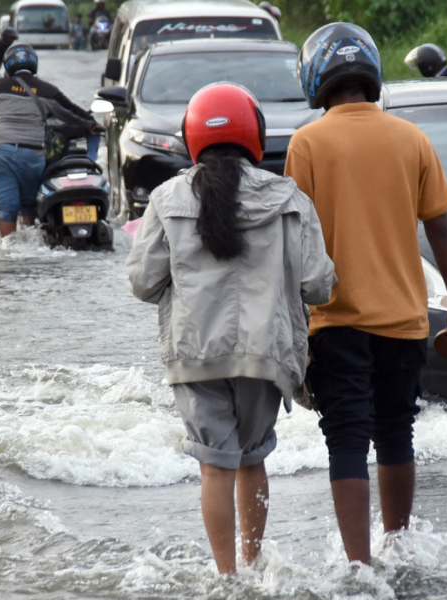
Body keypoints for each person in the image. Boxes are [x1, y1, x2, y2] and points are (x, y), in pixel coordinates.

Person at [126, 83, 335, 574]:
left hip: (196, 356)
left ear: (191, 137)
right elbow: (319, 284)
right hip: (266, 355)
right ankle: (254, 561)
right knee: (251, 458)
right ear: (254, 136)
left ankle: (226, 578)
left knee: (214, 465)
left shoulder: (166, 197)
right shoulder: (289, 198)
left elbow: (141, 282)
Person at [287, 23, 447, 565]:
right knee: (396, 432)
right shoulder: (411, 138)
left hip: (336, 320)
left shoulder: (308, 142)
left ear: (317, 77)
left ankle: (358, 565)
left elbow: (297, 236)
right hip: (404, 320)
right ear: (370, 72)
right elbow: (442, 228)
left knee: (346, 438)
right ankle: (397, 545)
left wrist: (292, 317)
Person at [0, 44, 102, 238]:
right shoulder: (47, 90)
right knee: (28, 207)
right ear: (34, 63)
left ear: (8, 65)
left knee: (7, 208)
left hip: (1, 153)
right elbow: (72, 112)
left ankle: (9, 250)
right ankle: (30, 243)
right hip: (31, 154)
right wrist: (92, 124)